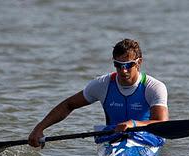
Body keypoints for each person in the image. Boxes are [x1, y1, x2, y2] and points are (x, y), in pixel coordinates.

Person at [28, 38, 169, 148]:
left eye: (128, 65)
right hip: (113, 137)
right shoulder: (103, 84)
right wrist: (39, 128)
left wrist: (132, 124)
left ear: (139, 62)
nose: (123, 70)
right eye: (118, 65)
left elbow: (162, 123)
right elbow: (69, 105)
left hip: (146, 137)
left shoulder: (154, 87)